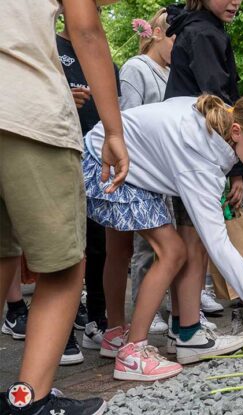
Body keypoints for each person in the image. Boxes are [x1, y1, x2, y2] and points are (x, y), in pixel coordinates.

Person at [84, 92, 243, 380]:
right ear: (237, 131)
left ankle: (115, 335)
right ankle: (133, 354)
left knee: (120, 249)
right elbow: (218, 244)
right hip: (108, 160)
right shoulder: (200, 157)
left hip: (106, 151)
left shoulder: (217, 118)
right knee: (172, 252)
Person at [0, 0, 129, 414]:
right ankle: (29, 401)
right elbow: (86, 29)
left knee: (2, 256)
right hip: (25, 110)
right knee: (62, 267)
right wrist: (113, 130)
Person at [163, 0, 243, 344]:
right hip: (196, 150)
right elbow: (218, 98)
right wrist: (236, 165)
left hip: (187, 147)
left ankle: (183, 323)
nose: (235, 2)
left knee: (189, 240)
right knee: (194, 242)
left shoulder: (198, 28)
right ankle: (188, 332)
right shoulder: (203, 32)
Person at [56, 6, 122, 363]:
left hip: (98, 161)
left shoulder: (106, 63)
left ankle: (98, 319)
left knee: (100, 244)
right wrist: (65, 95)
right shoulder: (50, 44)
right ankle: (61, 333)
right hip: (58, 151)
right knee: (65, 248)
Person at [116, 8, 175, 336]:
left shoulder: (171, 73)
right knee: (145, 245)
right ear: (156, 34)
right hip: (143, 166)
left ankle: (164, 304)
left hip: (165, 168)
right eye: (174, 39)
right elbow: (130, 119)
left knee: (167, 243)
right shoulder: (136, 68)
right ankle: (144, 307)